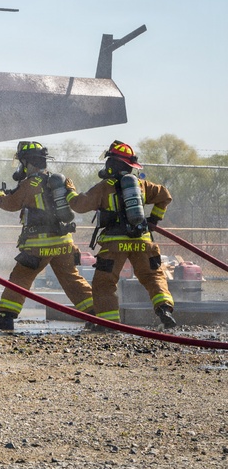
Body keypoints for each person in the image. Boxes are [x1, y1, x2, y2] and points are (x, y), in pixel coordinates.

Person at [0, 141, 95, 331]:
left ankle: (6, 317)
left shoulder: (30, 183)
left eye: (22, 163)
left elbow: (11, 204)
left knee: (20, 278)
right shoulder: (56, 180)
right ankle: (96, 315)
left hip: (39, 245)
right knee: (72, 280)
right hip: (64, 243)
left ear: (28, 163)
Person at [69, 140, 177, 330]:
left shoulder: (104, 187)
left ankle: (108, 323)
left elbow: (79, 205)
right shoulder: (142, 185)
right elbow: (165, 196)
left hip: (114, 244)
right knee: (153, 277)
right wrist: (154, 220)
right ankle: (164, 309)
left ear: (111, 164)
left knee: (105, 282)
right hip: (142, 241)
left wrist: (69, 191)